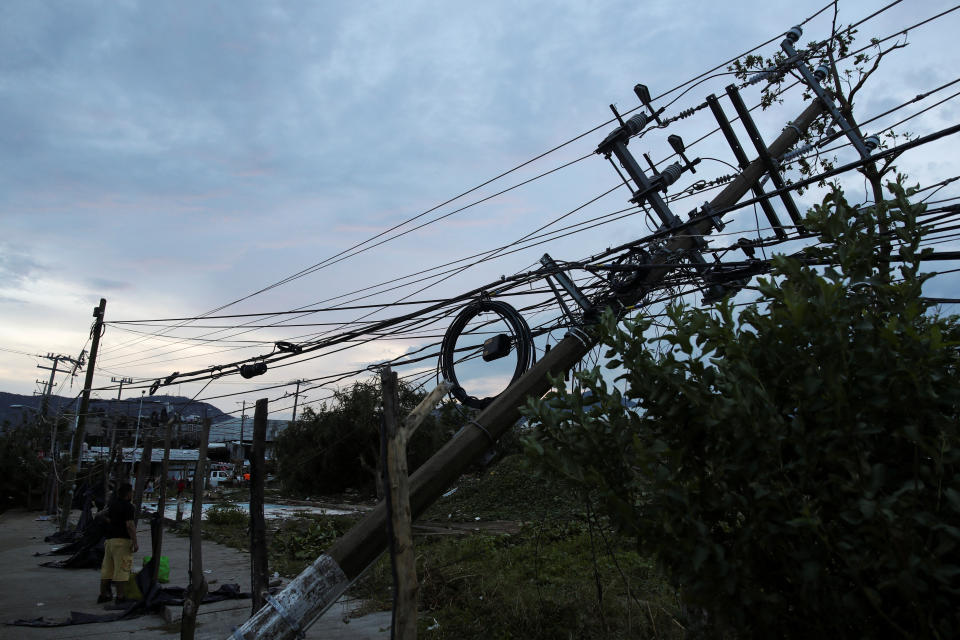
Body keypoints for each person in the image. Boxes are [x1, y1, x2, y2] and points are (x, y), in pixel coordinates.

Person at [98, 482, 138, 605]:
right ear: (128, 494)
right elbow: (130, 525)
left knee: (107, 569)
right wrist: (135, 541)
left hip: (110, 540)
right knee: (122, 569)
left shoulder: (112, 505)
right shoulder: (129, 507)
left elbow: (100, 515)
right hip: (122, 541)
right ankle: (120, 597)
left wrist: (113, 523)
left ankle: (103, 595)